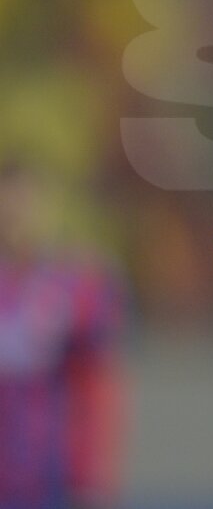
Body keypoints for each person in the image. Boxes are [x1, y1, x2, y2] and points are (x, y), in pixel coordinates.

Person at [0, 161, 128, 509]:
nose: (16, 217)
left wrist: (93, 481)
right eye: (8, 205)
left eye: (26, 203)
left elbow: (97, 386)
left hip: (52, 480)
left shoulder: (80, 286)